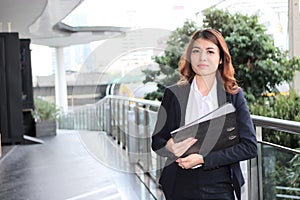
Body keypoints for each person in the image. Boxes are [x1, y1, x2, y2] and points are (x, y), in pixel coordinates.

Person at [151, 28, 257, 200]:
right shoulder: (174, 94)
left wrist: (203, 159)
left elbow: (249, 147)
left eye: (210, 51)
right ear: (189, 57)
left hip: (221, 185)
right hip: (179, 184)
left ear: (221, 58)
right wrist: (170, 146)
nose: (202, 58)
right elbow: (157, 141)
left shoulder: (234, 95)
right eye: (196, 51)